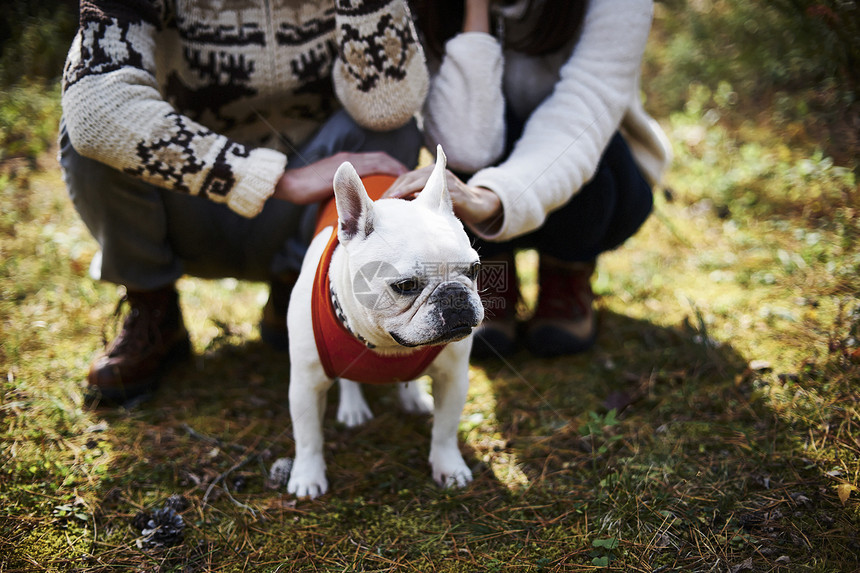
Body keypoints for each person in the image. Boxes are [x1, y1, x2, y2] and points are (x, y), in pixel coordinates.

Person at [59, 0, 430, 403]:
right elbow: (97, 110)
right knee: (89, 139)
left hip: (304, 214)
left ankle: (305, 290)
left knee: (393, 134)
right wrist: (273, 179)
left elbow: (390, 106)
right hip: (187, 205)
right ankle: (153, 309)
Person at [389, 0, 672, 358]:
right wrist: (474, 13)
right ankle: (490, 272)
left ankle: (566, 271)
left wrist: (491, 198)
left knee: (588, 153)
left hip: (600, 176)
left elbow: (581, 116)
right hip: (484, 171)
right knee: (456, 151)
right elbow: (466, 145)